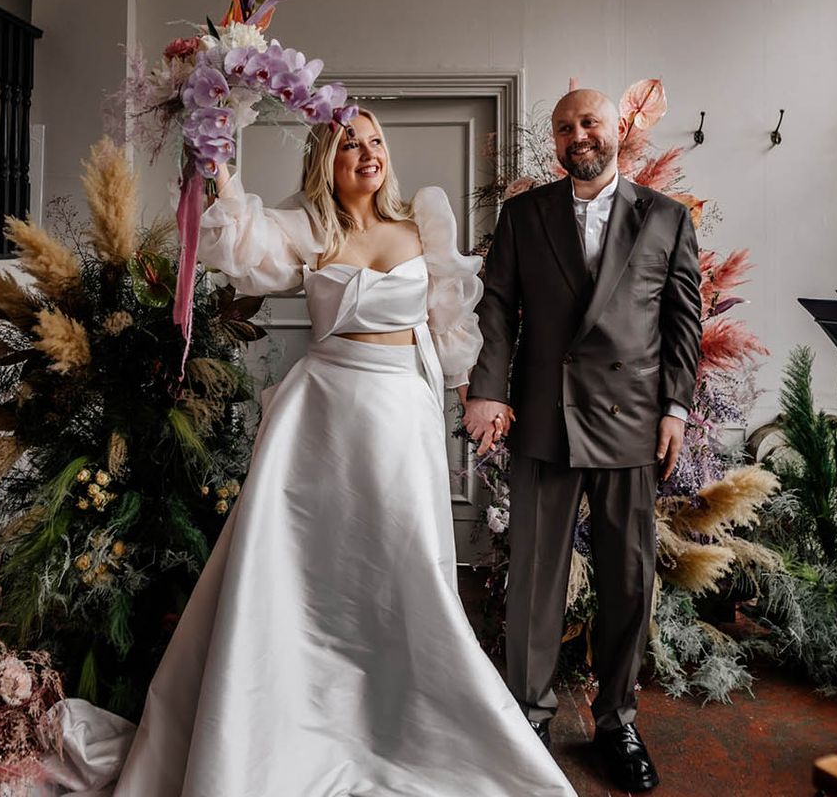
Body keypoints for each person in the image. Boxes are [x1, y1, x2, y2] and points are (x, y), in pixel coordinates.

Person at [109, 110, 579, 796]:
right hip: (319, 418)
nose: (368, 152)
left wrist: (481, 395)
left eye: (376, 140)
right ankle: (285, 728)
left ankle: (409, 726)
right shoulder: (307, 227)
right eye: (350, 142)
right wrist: (218, 162)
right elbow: (238, 244)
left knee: (402, 573)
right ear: (326, 159)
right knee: (302, 575)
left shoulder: (425, 225)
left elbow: (454, 336)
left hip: (400, 420)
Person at [463, 88, 702, 793]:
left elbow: (683, 321)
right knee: (535, 580)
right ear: (557, 141)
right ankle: (529, 718)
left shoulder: (665, 218)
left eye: (589, 122)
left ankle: (615, 722)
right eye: (565, 128)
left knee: (628, 581)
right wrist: (490, 387)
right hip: (546, 414)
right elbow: (499, 305)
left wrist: (676, 410)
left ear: (615, 130)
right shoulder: (524, 216)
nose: (578, 136)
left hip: (634, 420)